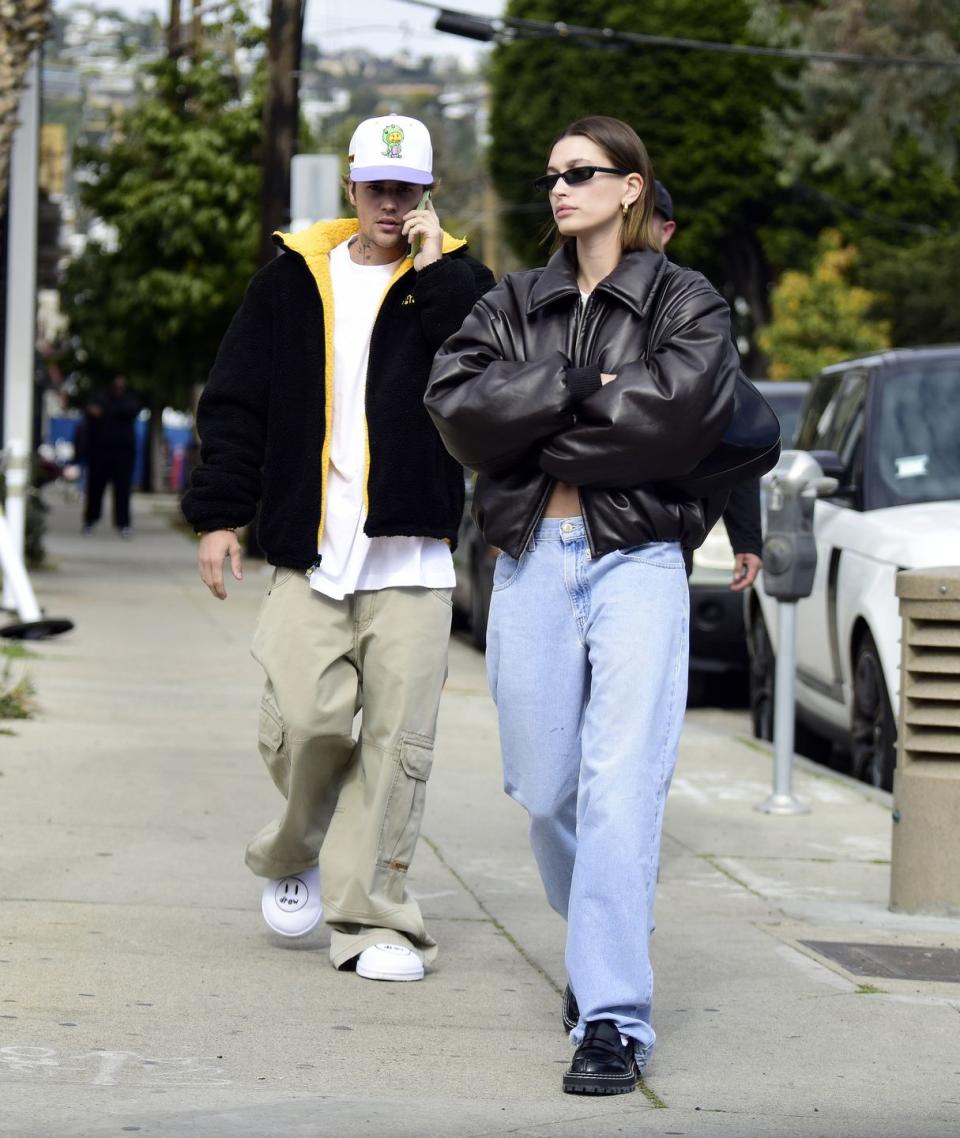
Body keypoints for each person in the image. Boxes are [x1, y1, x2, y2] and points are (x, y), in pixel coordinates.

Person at [425, 116, 739, 1093]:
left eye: (582, 172)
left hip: (637, 555)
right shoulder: (515, 300)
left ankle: (611, 1011)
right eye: (553, 173)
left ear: (632, 187)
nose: (560, 187)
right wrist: (576, 385)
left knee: (620, 782)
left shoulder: (686, 300)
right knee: (547, 786)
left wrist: (534, 423)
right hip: (529, 556)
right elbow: (459, 409)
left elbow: (675, 422)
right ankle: (602, 935)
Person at [182, 115, 495, 982]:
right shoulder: (289, 281)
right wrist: (219, 514)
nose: (390, 203)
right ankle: (294, 852)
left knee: (399, 749)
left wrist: (433, 274)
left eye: (407, 189)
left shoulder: (461, 283)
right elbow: (236, 402)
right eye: (377, 186)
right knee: (307, 727)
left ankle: (374, 923)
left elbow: (482, 378)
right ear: (351, 187)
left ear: (427, 194)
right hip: (310, 552)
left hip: (414, 562)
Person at [651, 180, 762, 591]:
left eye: (649, 223)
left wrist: (746, 537)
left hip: (667, 529)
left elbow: (734, 422)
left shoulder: (692, 304)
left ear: (668, 231)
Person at [79, 374, 140, 538]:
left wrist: (105, 411)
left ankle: (123, 523)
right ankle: (90, 521)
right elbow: (89, 410)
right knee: (95, 489)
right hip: (100, 452)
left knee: (123, 490)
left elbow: (131, 410)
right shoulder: (100, 396)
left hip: (123, 453)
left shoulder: (129, 399)